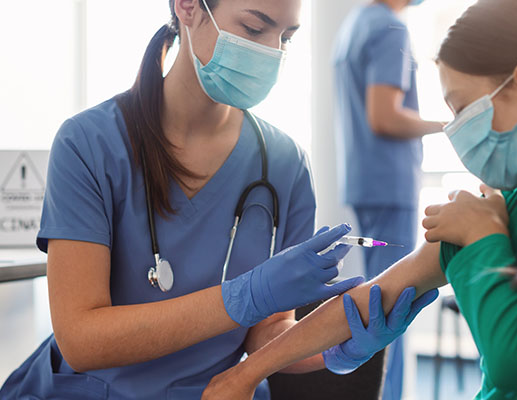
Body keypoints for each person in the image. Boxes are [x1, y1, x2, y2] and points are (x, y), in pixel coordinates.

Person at [0, 1, 434, 398]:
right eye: (253, 27)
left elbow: (268, 331)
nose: (271, 52)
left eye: (285, 38)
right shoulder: (89, 145)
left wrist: (336, 351)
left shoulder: (284, 166)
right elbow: (81, 341)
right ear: (188, 7)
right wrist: (242, 296)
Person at [201, 0, 517, 398]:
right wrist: (246, 373)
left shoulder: (489, 219)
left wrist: (484, 238)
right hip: (384, 183)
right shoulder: (511, 204)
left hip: (374, 182)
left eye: (462, 110)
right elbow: (374, 295)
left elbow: (515, 361)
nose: (457, 130)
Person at [333, 0, 445, 397]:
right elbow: (384, 116)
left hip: (367, 181)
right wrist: (451, 123)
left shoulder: (356, 24)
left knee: (380, 298)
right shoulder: (390, 29)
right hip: (389, 183)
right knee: (392, 305)